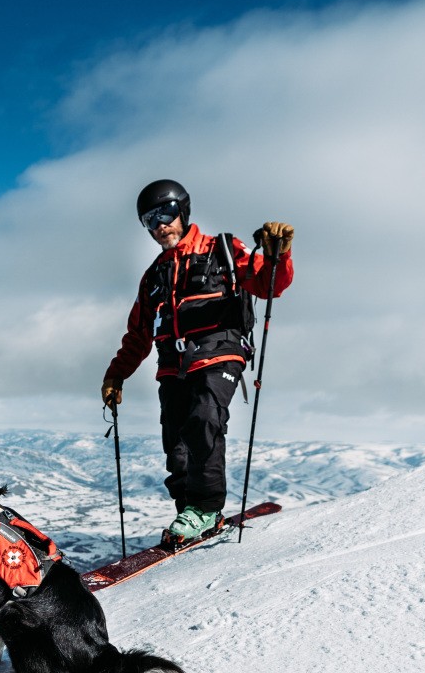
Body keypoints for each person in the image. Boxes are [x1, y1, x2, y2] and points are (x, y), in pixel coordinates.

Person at [100, 179, 295, 541]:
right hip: (173, 366)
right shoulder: (154, 276)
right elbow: (139, 334)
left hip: (219, 352)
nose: (159, 225)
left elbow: (269, 284)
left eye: (166, 213)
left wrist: (278, 255)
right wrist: (116, 376)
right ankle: (189, 511)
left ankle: (206, 507)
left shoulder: (221, 250)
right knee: (176, 442)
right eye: (150, 220)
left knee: (203, 417)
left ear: (183, 211)